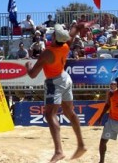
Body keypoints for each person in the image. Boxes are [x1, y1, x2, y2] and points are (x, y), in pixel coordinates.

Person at [25, 23, 88, 162]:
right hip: (65, 77)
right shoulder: (66, 44)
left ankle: (59, 151)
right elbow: (75, 29)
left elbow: (33, 75)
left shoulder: (47, 53)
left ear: (54, 37)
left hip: (54, 82)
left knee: (49, 114)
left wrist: (28, 66)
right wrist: (83, 24)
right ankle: (81, 144)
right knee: (69, 113)